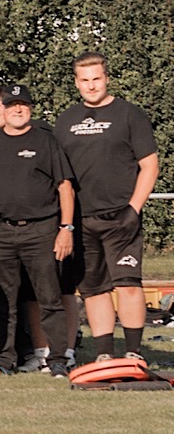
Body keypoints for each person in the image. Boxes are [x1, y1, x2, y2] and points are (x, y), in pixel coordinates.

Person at [54, 52, 158, 366]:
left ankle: (134, 352)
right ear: (76, 82)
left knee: (128, 283)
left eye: (96, 78)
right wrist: (66, 222)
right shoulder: (67, 120)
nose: (91, 85)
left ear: (106, 78)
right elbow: (61, 176)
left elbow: (150, 165)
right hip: (83, 220)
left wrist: (133, 209)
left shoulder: (130, 114)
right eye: (84, 80)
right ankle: (104, 354)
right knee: (94, 289)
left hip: (121, 217)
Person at [0, 83, 74, 375]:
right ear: (3, 109)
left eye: (23, 104)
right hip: (1, 231)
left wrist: (66, 228)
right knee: (4, 302)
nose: (17, 109)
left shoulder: (46, 141)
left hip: (41, 230)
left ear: (30, 109)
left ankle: (56, 361)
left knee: (49, 299)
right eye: (12, 104)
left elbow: (65, 187)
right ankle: (5, 361)